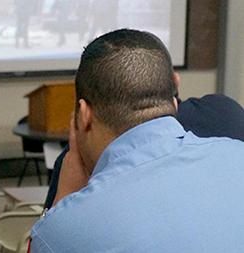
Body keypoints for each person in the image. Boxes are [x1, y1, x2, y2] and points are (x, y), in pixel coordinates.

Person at [31, 29, 244, 252]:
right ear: (173, 103)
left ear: (84, 115)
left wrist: (60, 204)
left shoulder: (63, 229)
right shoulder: (238, 152)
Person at [43, 93, 244, 209]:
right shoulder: (227, 115)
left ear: (85, 114)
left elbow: (46, 241)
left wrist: (64, 196)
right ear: (174, 100)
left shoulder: (76, 161)